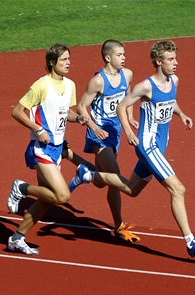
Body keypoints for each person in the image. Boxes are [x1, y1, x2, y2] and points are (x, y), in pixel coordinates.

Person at [69, 40, 195, 258]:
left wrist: (182, 114)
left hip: (160, 147)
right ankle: (190, 242)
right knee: (178, 189)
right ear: (158, 61)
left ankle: (88, 174)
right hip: (147, 146)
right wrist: (129, 131)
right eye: (170, 59)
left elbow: (170, 101)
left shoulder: (174, 80)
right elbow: (122, 105)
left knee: (131, 189)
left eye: (175, 58)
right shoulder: (145, 86)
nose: (176, 63)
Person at [6, 43, 87, 255]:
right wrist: (37, 128)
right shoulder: (41, 86)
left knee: (45, 201)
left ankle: (17, 238)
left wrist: (77, 118)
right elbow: (17, 111)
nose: (68, 63)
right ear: (52, 62)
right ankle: (22, 188)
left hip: (57, 149)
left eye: (69, 59)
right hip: (42, 148)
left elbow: (64, 112)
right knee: (61, 197)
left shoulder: (70, 85)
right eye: (63, 60)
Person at [75, 39, 141, 243]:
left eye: (124, 54)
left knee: (103, 183)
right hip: (99, 134)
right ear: (108, 57)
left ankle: (85, 172)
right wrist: (94, 128)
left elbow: (127, 97)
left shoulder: (127, 74)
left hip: (115, 132)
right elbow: (81, 107)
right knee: (115, 177)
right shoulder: (98, 81)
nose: (124, 57)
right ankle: (119, 226)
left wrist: (129, 116)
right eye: (120, 55)